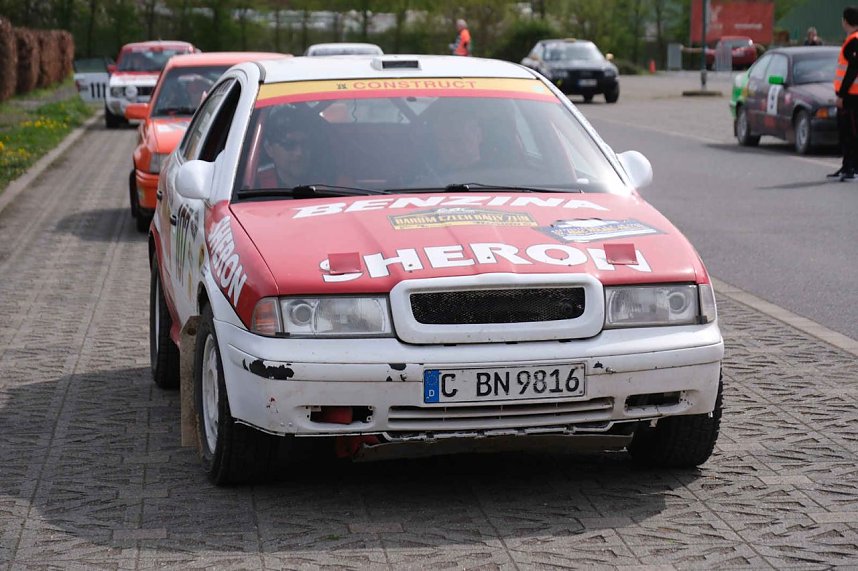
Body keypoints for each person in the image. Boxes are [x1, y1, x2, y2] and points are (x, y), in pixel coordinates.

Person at [258, 106, 319, 188]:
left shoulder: (329, 180)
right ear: (269, 149)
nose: (299, 153)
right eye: (289, 145)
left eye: (305, 144)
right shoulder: (256, 186)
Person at [831, 7, 858, 181]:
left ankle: (852, 168)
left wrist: (841, 95)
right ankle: (847, 165)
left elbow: (852, 70)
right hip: (851, 94)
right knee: (846, 132)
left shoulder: (854, 41)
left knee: (851, 132)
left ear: (845, 21)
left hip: (852, 96)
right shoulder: (852, 40)